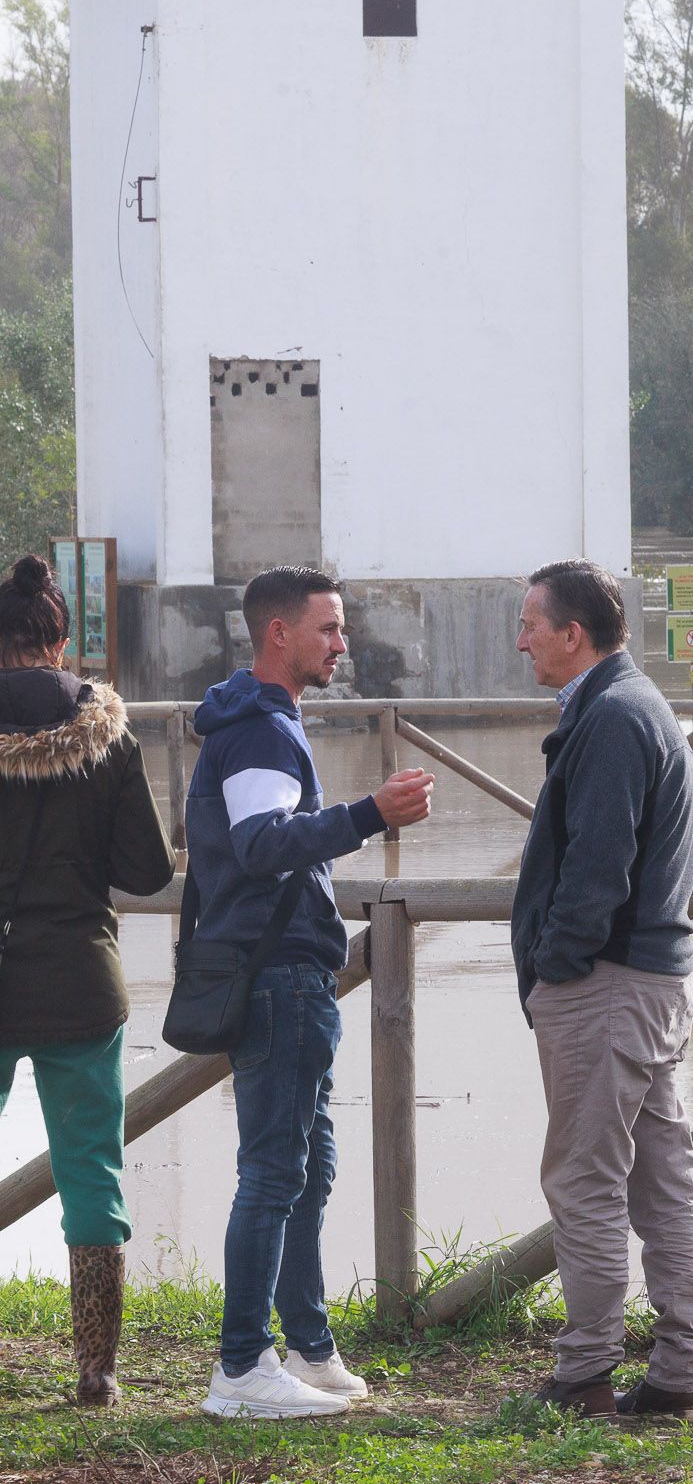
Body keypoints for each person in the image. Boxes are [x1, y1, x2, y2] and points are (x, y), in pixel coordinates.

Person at [187, 567, 435, 1419]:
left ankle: (308, 1346)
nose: (343, 643)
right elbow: (261, 844)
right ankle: (242, 1369)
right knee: (273, 1172)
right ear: (279, 635)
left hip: (288, 968)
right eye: (328, 629)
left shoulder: (261, 719)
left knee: (308, 1165)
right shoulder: (259, 727)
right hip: (279, 971)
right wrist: (372, 812)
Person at [510, 560, 693, 1421]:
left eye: (531, 623)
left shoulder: (614, 718)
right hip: (648, 981)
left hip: (607, 984)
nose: (520, 639)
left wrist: (555, 964)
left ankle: (585, 1372)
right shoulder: (631, 706)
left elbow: (598, 866)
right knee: (662, 1182)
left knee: (586, 1180)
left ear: (573, 634)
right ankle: (682, 1371)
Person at [0, 554, 173, 1406]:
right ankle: (96, 1371)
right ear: (63, 641)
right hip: (80, 983)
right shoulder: (106, 734)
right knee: (92, 1173)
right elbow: (145, 871)